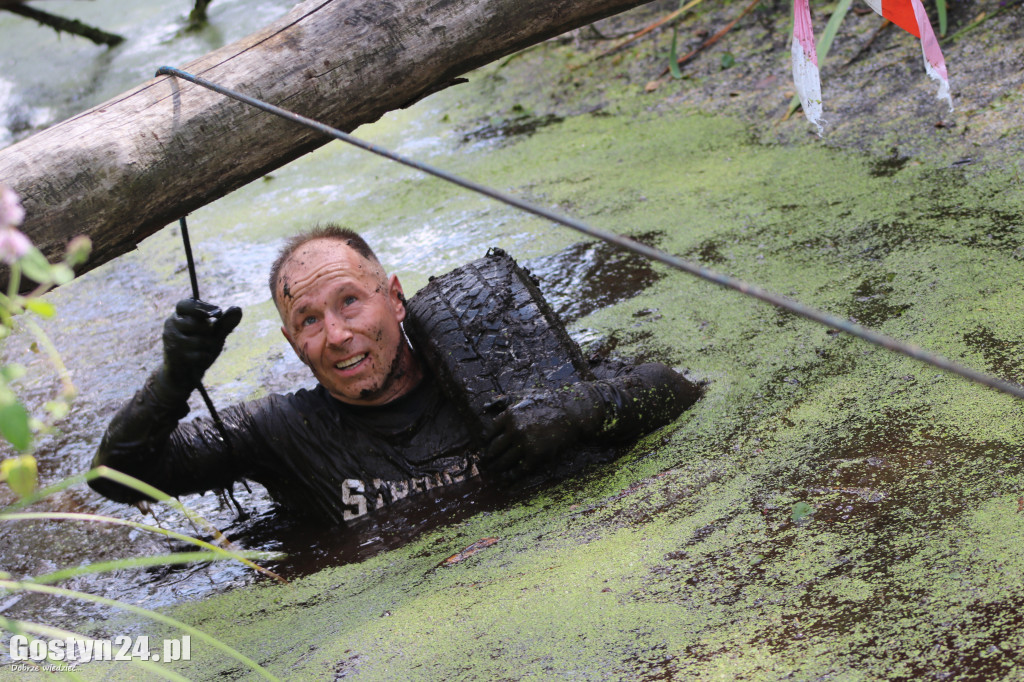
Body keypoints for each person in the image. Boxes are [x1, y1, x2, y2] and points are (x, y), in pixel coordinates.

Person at [90, 226, 701, 524]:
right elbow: (118, 479)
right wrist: (175, 376)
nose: (335, 334)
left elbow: (675, 388)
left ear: (396, 299)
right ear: (290, 342)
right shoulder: (283, 432)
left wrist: (574, 413)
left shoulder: (485, 353)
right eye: (308, 319)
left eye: (350, 302)